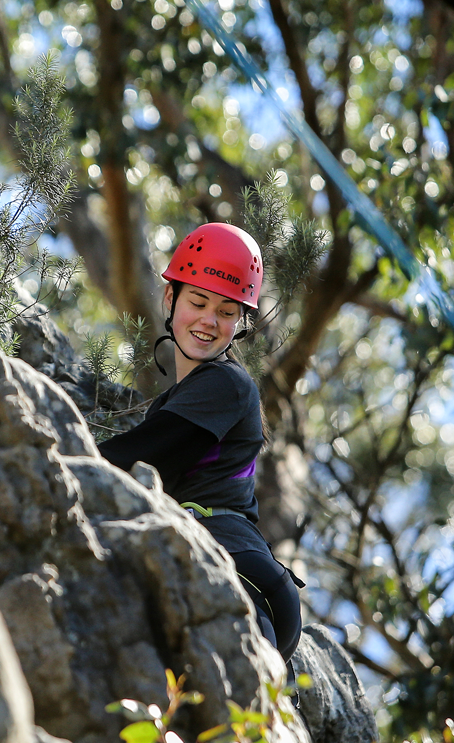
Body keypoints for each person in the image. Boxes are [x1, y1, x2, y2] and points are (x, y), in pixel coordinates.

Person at [98, 223, 304, 661]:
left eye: (228, 311)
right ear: (170, 299)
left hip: (235, 567)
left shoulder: (227, 384)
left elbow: (134, 458)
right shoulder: (180, 400)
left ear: (240, 323)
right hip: (235, 565)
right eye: (198, 301)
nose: (209, 320)